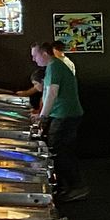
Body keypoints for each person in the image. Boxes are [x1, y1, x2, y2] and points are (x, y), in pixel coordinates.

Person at [31, 40, 88, 202]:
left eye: (35, 56)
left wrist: (42, 116)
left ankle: (76, 187)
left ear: (44, 54)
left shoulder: (54, 67)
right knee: (63, 151)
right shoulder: (54, 67)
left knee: (60, 152)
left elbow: (52, 93)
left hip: (65, 115)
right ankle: (68, 187)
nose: (34, 59)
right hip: (64, 114)